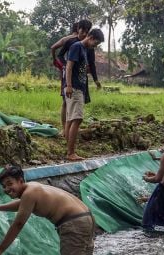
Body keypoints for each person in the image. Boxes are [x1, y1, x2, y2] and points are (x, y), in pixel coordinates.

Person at [0, 165, 96, 255]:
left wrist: (1, 249)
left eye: (9, 184)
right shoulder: (32, 188)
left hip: (74, 223)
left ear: (20, 181)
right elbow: (21, 204)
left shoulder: (29, 193)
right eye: (4, 186)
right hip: (85, 218)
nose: (7, 189)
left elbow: (18, 224)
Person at [54, 20, 102, 139]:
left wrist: (95, 79)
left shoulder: (88, 47)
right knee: (67, 104)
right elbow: (60, 55)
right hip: (70, 79)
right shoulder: (72, 42)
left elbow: (91, 64)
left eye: (86, 32)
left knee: (75, 111)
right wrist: (64, 66)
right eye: (82, 31)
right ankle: (65, 130)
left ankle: (69, 135)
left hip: (80, 79)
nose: (84, 34)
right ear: (78, 29)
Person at [64, 28, 105, 161]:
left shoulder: (85, 50)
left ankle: (69, 150)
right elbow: (69, 66)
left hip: (78, 87)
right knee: (77, 118)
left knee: (71, 119)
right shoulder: (77, 46)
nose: (95, 46)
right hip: (74, 87)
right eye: (96, 43)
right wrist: (69, 85)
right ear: (91, 37)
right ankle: (71, 153)